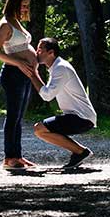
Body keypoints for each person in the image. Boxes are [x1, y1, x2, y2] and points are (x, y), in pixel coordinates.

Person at [22, 37, 96, 169]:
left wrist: (33, 74)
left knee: (40, 129)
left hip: (82, 118)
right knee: (40, 129)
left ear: (51, 53)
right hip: (77, 116)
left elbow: (47, 96)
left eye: (40, 50)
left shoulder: (61, 68)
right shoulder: (57, 67)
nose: (37, 53)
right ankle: (80, 152)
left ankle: (80, 152)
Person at [0, 0, 39, 171]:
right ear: (14, 4)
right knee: (13, 117)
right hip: (13, 75)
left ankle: (17, 156)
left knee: (19, 117)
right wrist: (19, 63)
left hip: (24, 75)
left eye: (27, 6)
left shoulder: (17, 23)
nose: (26, 9)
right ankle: (9, 158)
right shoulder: (5, 24)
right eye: (23, 5)